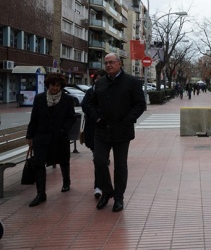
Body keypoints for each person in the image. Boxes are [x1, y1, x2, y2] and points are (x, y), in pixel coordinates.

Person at [87, 53, 146, 212]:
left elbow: (140, 104)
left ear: (119, 64)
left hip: (122, 130)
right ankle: (107, 192)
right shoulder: (100, 83)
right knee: (99, 161)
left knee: (120, 166)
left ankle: (118, 197)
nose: (108, 65)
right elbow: (90, 104)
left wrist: (128, 120)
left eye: (111, 62)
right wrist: (97, 119)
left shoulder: (131, 82)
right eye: (106, 63)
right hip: (102, 130)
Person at [26, 73, 77, 207]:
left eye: (58, 86)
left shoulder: (67, 99)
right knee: (39, 164)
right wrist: (30, 136)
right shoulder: (39, 99)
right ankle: (41, 193)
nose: (55, 88)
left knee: (64, 160)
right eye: (53, 85)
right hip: (41, 136)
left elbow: (72, 117)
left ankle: (66, 182)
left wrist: (64, 129)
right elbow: (34, 118)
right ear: (48, 85)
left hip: (60, 136)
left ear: (61, 87)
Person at [81, 69, 107, 199]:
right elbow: (84, 105)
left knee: (99, 159)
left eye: (101, 78)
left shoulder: (109, 92)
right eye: (96, 78)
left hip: (106, 130)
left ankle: (99, 186)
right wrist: (96, 117)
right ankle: (100, 186)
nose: (98, 80)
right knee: (98, 158)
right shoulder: (90, 92)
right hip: (93, 128)